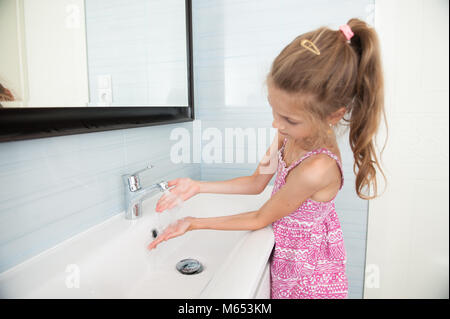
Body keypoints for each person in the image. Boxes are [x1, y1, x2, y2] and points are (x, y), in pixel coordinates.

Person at [147, 18, 387, 299]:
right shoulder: (289, 135)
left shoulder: (317, 168)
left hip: (309, 278)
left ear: (333, 116)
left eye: (288, 118)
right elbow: (255, 183)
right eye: (273, 110)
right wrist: (199, 186)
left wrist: (194, 222)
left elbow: (261, 217)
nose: (277, 124)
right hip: (288, 264)